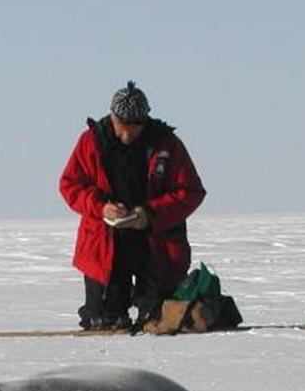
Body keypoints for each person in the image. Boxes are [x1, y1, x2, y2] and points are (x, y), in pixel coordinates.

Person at [59, 81, 207, 330]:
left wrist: (149, 214)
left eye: (134, 128)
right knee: (102, 320)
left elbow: (191, 191)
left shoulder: (166, 144)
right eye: (121, 127)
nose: (127, 135)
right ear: (113, 117)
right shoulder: (91, 142)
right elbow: (70, 185)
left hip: (157, 245)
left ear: (145, 121)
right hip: (105, 244)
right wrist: (100, 207)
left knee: (159, 319)